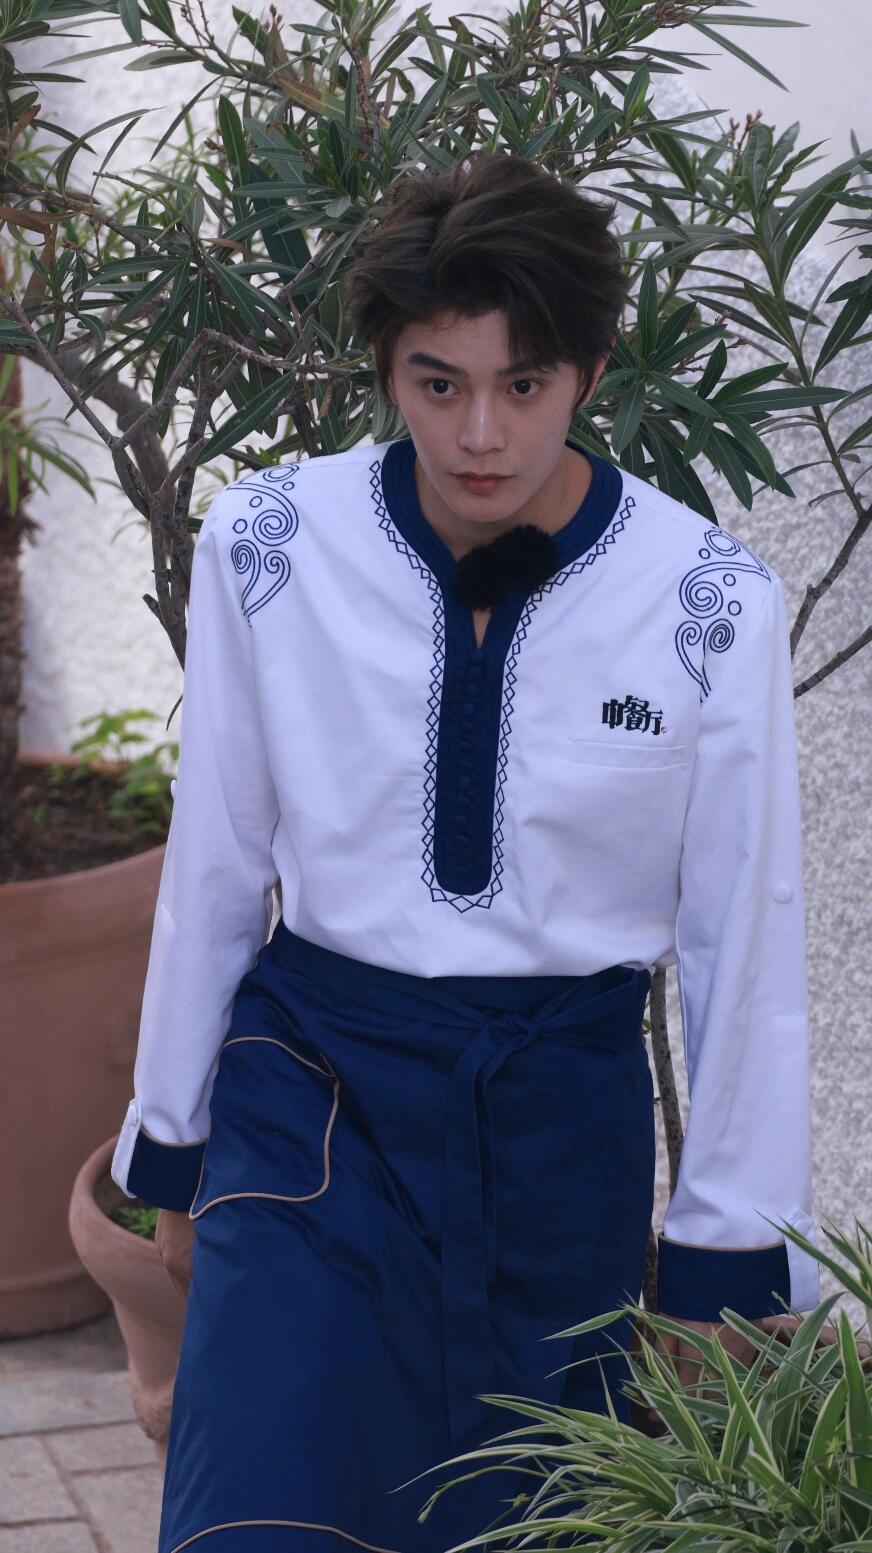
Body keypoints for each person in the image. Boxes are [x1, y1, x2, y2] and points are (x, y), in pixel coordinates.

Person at [110, 151, 821, 1553]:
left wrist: (725, 1254)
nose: (481, 433)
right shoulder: (271, 547)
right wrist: (174, 1145)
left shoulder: (707, 601)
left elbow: (747, 943)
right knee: (254, 1513)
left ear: (592, 373)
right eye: (438, 384)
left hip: (559, 1136)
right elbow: (216, 865)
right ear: (387, 369)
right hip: (311, 1106)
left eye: (525, 384)